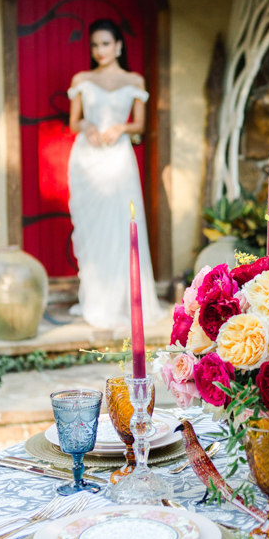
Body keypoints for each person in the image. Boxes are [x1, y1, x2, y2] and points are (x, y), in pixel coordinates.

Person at [67, 19, 166, 328]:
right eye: (95, 45)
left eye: (105, 44)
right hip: (88, 158)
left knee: (124, 226)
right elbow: (74, 122)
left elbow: (139, 124)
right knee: (94, 230)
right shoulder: (82, 78)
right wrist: (88, 125)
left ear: (119, 46)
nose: (100, 50)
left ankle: (126, 300)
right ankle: (96, 298)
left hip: (119, 159)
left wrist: (121, 126)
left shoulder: (134, 80)